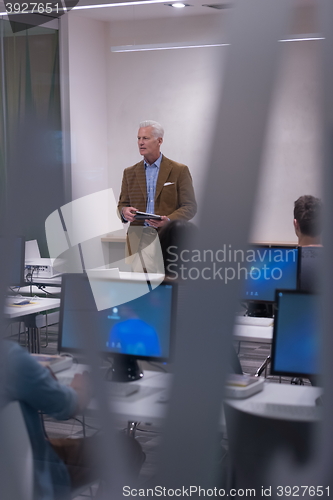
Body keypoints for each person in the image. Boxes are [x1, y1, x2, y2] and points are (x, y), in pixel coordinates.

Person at [0, 340, 144, 500]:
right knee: (126, 448)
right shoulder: (10, 358)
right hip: (34, 474)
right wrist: (81, 387)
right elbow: (67, 407)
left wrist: (43, 384)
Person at [118, 120, 197, 229]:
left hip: (167, 236)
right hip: (137, 238)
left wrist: (169, 220)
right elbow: (122, 204)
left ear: (159, 141)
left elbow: (190, 207)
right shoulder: (129, 173)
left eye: (145, 138)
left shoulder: (179, 170)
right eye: (139, 138)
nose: (140, 142)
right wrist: (124, 211)